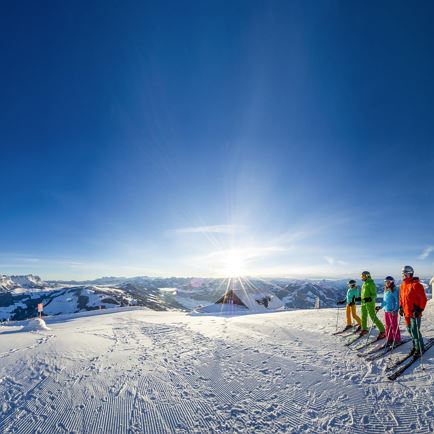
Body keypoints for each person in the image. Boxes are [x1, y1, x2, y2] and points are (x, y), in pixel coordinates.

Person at [399, 265, 427, 356]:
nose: (404, 276)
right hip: (407, 312)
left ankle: (420, 348)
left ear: (410, 274)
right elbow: (401, 298)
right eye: (403, 274)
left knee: (415, 331)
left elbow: (423, 299)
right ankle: (415, 346)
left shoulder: (416, 285)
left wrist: (419, 309)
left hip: (415, 313)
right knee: (410, 330)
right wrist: (401, 307)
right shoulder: (403, 285)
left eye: (406, 274)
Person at [357, 271, 385, 338]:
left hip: (369, 303)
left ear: (367, 276)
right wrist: (360, 298)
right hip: (364, 302)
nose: (362, 277)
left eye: (363, 276)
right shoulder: (364, 284)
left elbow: (374, 295)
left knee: (372, 316)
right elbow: (364, 294)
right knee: (363, 315)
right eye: (361, 276)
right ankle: (364, 329)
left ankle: (382, 330)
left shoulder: (371, 284)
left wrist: (369, 299)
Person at [375, 276, 401, 344]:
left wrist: (395, 309)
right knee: (387, 325)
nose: (387, 283)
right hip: (386, 310)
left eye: (388, 282)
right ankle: (389, 338)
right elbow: (384, 301)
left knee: (394, 325)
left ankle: (397, 339)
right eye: (386, 282)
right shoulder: (386, 290)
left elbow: (397, 301)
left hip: (392, 311)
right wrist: (380, 307)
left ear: (392, 282)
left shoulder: (395, 290)